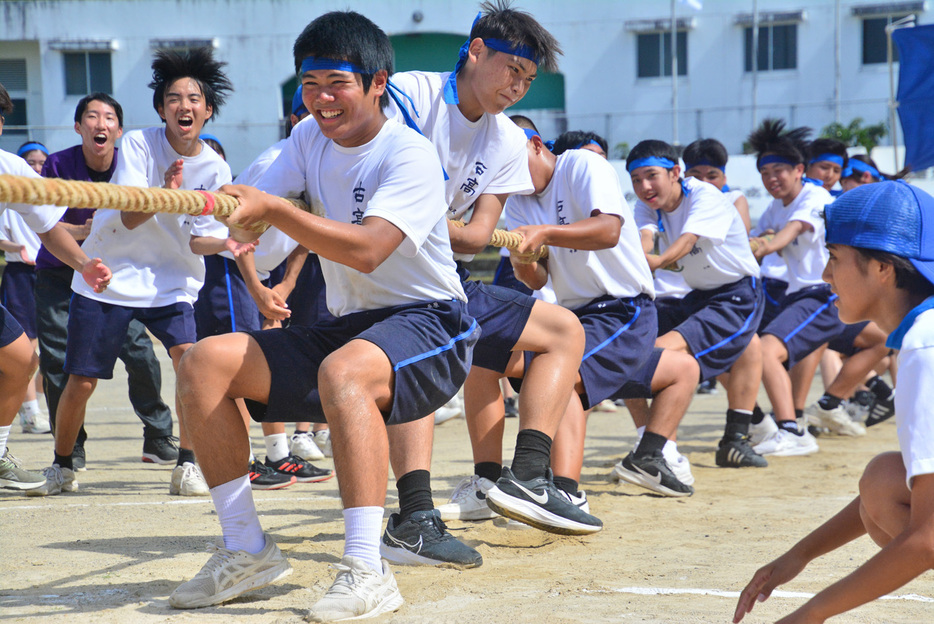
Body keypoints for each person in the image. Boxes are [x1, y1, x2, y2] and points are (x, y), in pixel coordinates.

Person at [169, 12, 478, 620]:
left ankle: (367, 569)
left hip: (433, 324)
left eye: (336, 82)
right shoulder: (307, 137)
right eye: (310, 84)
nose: (321, 99)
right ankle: (246, 549)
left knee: (345, 372)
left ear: (376, 82)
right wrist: (225, 209)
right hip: (351, 325)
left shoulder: (409, 155)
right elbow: (245, 204)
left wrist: (273, 214)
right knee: (204, 362)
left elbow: (366, 247)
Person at [385, 1, 600, 547]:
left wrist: (421, 221)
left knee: (560, 333)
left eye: (528, 78)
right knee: (412, 369)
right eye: (513, 70)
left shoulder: (506, 138)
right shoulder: (407, 95)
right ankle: (415, 513)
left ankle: (526, 475)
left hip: (443, 278)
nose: (519, 86)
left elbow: (479, 234)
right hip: (376, 272)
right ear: (476, 50)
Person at [26, 47, 237, 497]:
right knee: (80, 381)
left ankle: (187, 463)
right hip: (112, 272)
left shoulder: (216, 166)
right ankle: (62, 465)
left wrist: (230, 244)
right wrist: (165, 191)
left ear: (208, 110)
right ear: (162, 109)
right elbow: (128, 216)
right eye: (175, 98)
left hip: (172, 281)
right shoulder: (140, 144)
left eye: (195, 98)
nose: (185, 105)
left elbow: (198, 239)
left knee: (191, 366)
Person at [734, 180, 934, 623]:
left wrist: (807, 617)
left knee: (888, 487)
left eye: (835, 258)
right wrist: (799, 556)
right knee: (884, 479)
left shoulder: (925, 346)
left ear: (883, 268)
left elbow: (928, 538)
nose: (825, 275)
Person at [506, 126, 699, 498]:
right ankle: (649, 455)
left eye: (509, 164)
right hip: (577, 318)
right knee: (683, 369)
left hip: (623, 311)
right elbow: (537, 277)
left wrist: (544, 233)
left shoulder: (580, 163)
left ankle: (563, 491)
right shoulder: (516, 200)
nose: (506, 176)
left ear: (535, 145)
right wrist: (521, 261)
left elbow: (608, 230)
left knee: (560, 379)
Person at [37, 92, 178, 470]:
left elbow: (141, 213)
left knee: (140, 352)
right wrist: (83, 230)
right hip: (59, 269)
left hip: (113, 275)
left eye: (109, 118)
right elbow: (43, 225)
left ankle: (158, 434)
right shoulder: (57, 164)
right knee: (58, 361)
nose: (101, 124)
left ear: (118, 129)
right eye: (92, 117)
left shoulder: (129, 164)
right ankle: (70, 446)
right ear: (78, 126)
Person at [627, 140, 766, 470]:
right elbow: (645, 238)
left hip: (737, 295)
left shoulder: (704, 195)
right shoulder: (648, 203)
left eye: (651, 176)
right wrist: (639, 256)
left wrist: (655, 262)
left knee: (664, 354)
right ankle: (735, 441)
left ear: (676, 173)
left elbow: (685, 242)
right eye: (635, 180)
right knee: (628, 341)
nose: (644, 186)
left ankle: (655, 449)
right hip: (699, 295)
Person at [0, 82, 111, 491]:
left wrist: (84, 265)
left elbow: (48, 228)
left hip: (48, 272)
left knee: (20, 359)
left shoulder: (10, 169)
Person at [746, 120, 839, 457]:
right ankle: (780, 422)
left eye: (779, 170)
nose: (772, 179)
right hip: (797, 294)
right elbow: (761, 234)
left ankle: (791, 430)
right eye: (764, 172)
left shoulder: (815, 197)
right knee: (751, 346)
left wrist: (764, 244)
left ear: (800, 169)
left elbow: (788, 233)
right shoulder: (775, 205)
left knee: (765, 350)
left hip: (825, 295)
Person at [0, 208, 49, 434]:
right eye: (33, 167)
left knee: (58, 349)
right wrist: (18, 248)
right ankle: (31, 413)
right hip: (20, 274)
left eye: (40, 167)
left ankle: (33, 404)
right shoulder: (8, 200)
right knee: (27, 344)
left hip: (51, 273)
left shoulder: (51, 200)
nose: (38, 169)